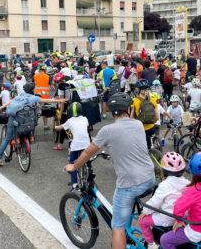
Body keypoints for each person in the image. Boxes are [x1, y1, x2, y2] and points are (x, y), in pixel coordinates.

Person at [64, 92, 155, 249]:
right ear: (129, 109)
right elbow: (131, 144)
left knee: (117, 227)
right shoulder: (138, 124)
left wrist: (74, 166)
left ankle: (122, 234)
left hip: (130, 184)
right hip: (149, 178)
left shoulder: (107, 131)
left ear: (112, 111)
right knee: (124, 212)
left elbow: (87, 152)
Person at [160, 151, 201, 248]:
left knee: (165, 240)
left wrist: (178, 221)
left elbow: (178, 208)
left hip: (197, 232)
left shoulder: (194, 190)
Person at [0, 82, 66, 165]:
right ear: (32, 90)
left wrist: (0, 108)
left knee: (7, 139)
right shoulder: (33, 97)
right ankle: (24, 155)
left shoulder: (20, 95)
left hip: (13, 118)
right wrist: (61, 100)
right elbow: (47, 100)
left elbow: (10, 102)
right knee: (27, 132)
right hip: (25, 120)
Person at [138, 152, 190, 249]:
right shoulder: (187, 183)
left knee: (142, 221)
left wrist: (145, 211)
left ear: (164, 171)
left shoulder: (164, 185)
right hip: (182, 218)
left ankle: (151, 244)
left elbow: (154, 202)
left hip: (168, 218)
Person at [55, 102, 91, 188]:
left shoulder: (70, 121)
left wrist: (56, 127)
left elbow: (61, 127)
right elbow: (87, 126)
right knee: (87, 161)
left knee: (73, 164)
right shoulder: (85, 119)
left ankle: (75, 184)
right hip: (87, 144)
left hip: (76, 145)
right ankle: (89, 176)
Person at [131, 79, 159, 149]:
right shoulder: (152, 100)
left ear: (138, 89)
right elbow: (157, 117)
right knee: (148, 143)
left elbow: (132, 118)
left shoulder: (135, 100)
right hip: (151, 128)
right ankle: (151, 151)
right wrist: (151, 122)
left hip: (140, 129)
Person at [34, 64, 51, 130]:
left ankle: (34, 124)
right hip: (45, 96)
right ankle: (45, 126)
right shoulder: (48, 76)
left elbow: (33, 85)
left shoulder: (35, 76)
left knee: (36, 110)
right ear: (45, 70)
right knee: (44, 111)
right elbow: (51, 86)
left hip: (36, 96)